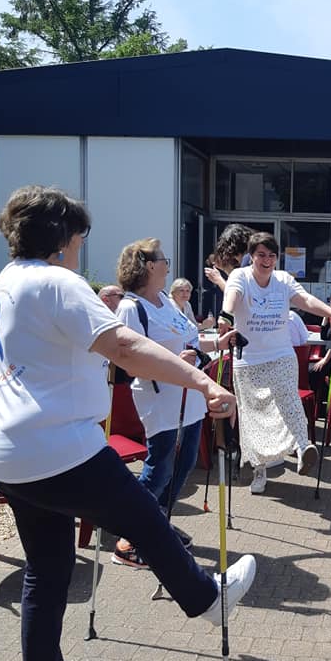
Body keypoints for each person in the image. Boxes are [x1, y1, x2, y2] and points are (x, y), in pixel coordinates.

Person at [0, 186, 256, 661]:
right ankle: (205, 599)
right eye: (80, 237)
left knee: (49, 566)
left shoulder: (7, 281)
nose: (82, 247)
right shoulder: (59, 281)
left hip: (4, 451)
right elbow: (126, 349)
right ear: (63, 238)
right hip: (55, 446)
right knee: (143, 514)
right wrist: (203, 383)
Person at [114, 240, 232, 567]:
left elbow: (190, 338)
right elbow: (130, 359)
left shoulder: (165, 301)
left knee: (185, 462)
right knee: (158, 468)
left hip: (189, 396)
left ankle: (158, 523)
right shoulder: (131, 307)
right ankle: (130, 535)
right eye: (163, 260)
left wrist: (215, 343)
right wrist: (173, 359)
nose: (168, 264)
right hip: (161, 398)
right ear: (148, 266)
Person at [219, 231, 331, 495]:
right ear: (251, 257)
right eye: (260, 255)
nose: (266, 260)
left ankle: (303, 447)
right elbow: (231, 297)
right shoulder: (240, 276)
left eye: (271, 255)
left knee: (289, 400)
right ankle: (259, 471)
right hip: (249, 360)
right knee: (253, 418)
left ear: (276, 258)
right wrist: (226, 315)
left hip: (280, 355)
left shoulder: (283, 280)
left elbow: (306, 300)